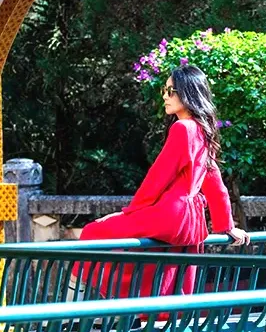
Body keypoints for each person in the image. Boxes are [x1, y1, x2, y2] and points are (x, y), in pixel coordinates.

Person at [73, 64, 249, 298]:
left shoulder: (182, 128)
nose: (165, 97)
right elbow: (216, 185)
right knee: (162, 264)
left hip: (169, 216)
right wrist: (226, 225)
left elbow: (157, 179)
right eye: (164, 91)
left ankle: (79, 297)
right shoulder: (203, 131)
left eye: (170, 91)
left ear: (188, 92)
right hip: (189, 223)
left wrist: (129, 212)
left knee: (92, 231)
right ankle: (141, 309)